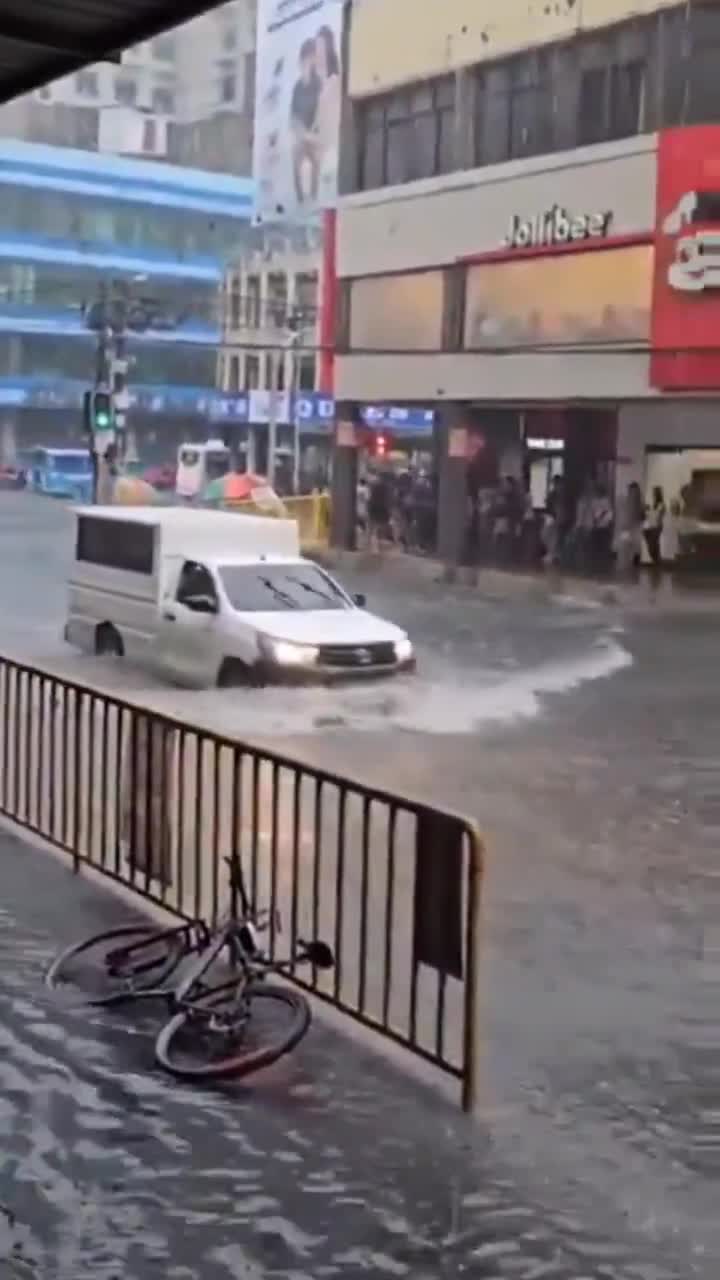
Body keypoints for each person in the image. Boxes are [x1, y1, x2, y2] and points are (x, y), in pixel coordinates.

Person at [290, 39, 321, 204]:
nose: (307, 63)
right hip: (302, 135)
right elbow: (293, 116)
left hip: (316, 134)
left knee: (316, 160)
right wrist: (301, 133)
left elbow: (322, 111)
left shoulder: (318, 84)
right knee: (295, 159)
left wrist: (312, 134)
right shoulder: (297, 87)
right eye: (304, 60)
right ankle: (300, 200)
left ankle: (314, 198)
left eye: (310, 59)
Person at [314, 24, 341, 196]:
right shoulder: (316, 85)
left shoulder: (334, 82)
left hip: (332, 151)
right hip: (321, 153)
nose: (317, 53)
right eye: (316, 48)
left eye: (320, 47)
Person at [644, 485, 666, 567]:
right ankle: (656, 561)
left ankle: (657, 562)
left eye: (655, 493)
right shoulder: (654, 504)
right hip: (651, 526)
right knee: (652, 545)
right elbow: (650, 515)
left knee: (654, 545)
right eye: (654, 493)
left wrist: (649, 511)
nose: (654, 495)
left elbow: (658, 515)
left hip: (656, 526)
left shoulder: (661, 504)